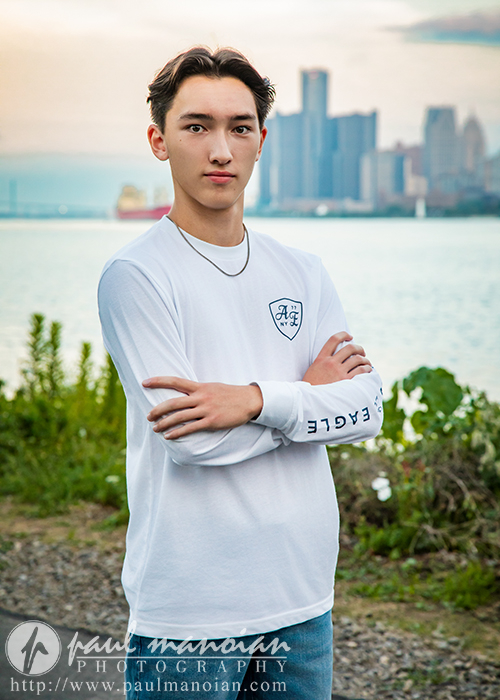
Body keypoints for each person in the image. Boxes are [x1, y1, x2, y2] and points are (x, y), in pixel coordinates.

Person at [98, 47, 383, 700]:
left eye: (240, 127)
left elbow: (365, 411)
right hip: (191, 611)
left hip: (302, 597)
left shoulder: (303, 271)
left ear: (261, 141)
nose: (220, 149)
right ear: (158, 141)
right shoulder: (137, 276)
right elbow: (194, 441)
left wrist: (254, 401)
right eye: (196, 127)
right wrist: (307, 398)